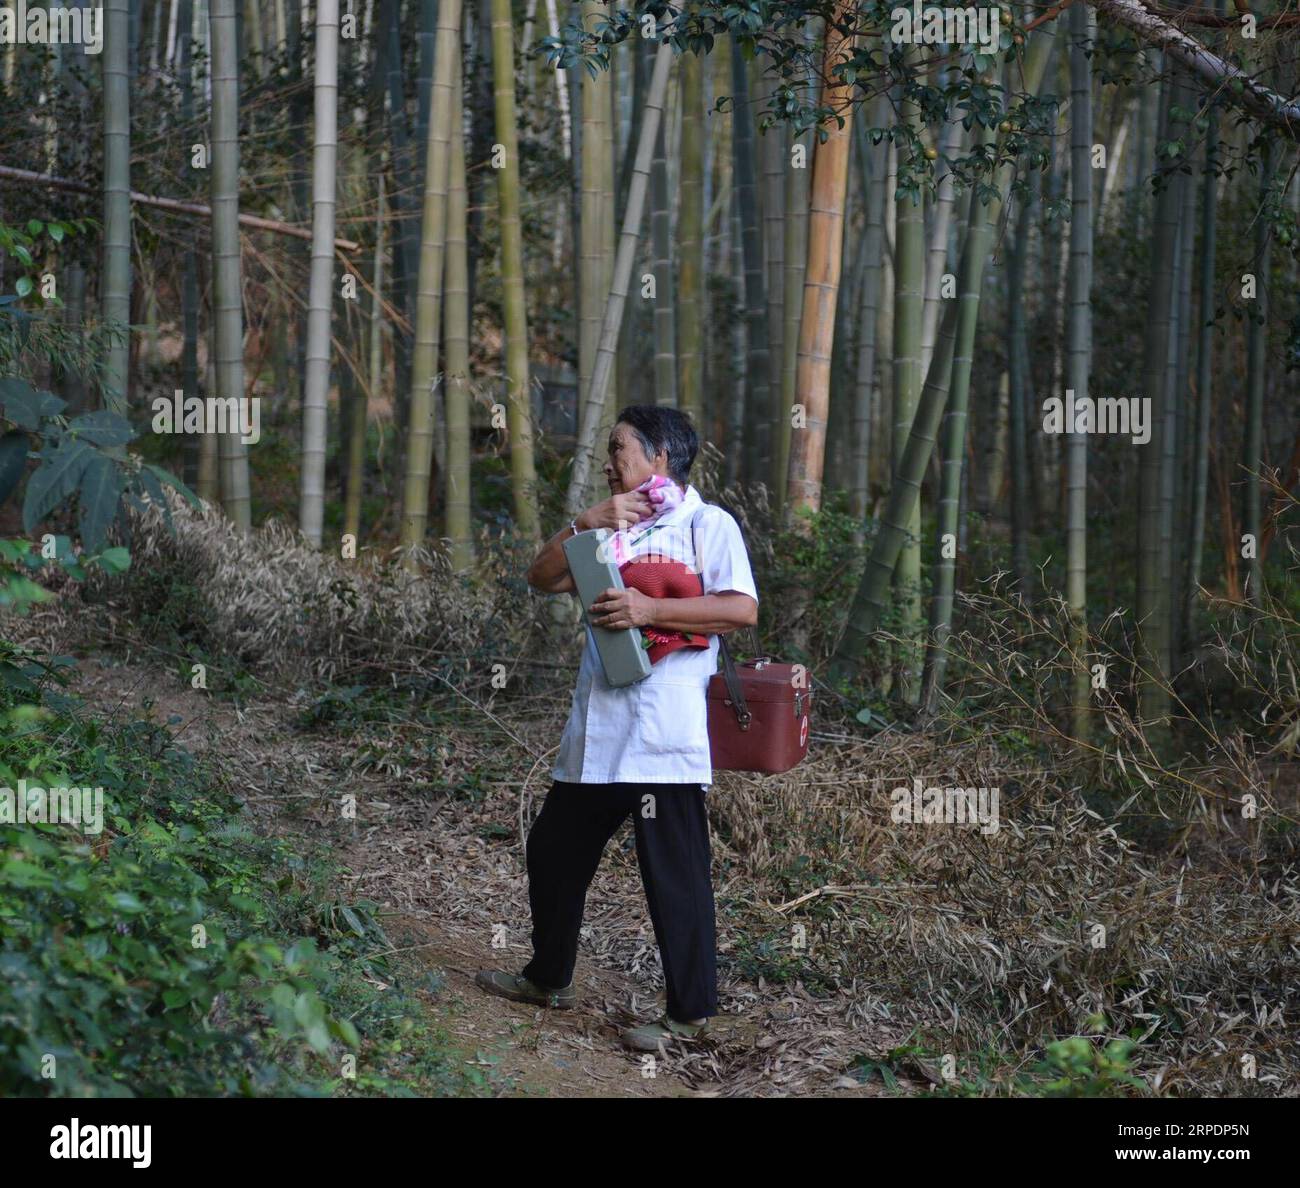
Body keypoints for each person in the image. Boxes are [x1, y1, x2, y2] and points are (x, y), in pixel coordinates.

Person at [475, 405, 759, 1051]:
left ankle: (688, 1015)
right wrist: (584, 523)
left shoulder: (704, 523)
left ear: (660, 458)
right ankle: (548, 979)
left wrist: (649, 605)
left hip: (664, 732)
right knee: (553, 852)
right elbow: (541, 577)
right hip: (600, 731)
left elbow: (740, 608)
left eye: (619, 449)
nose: (609, 462)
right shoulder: (610, 527)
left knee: (674, 875)